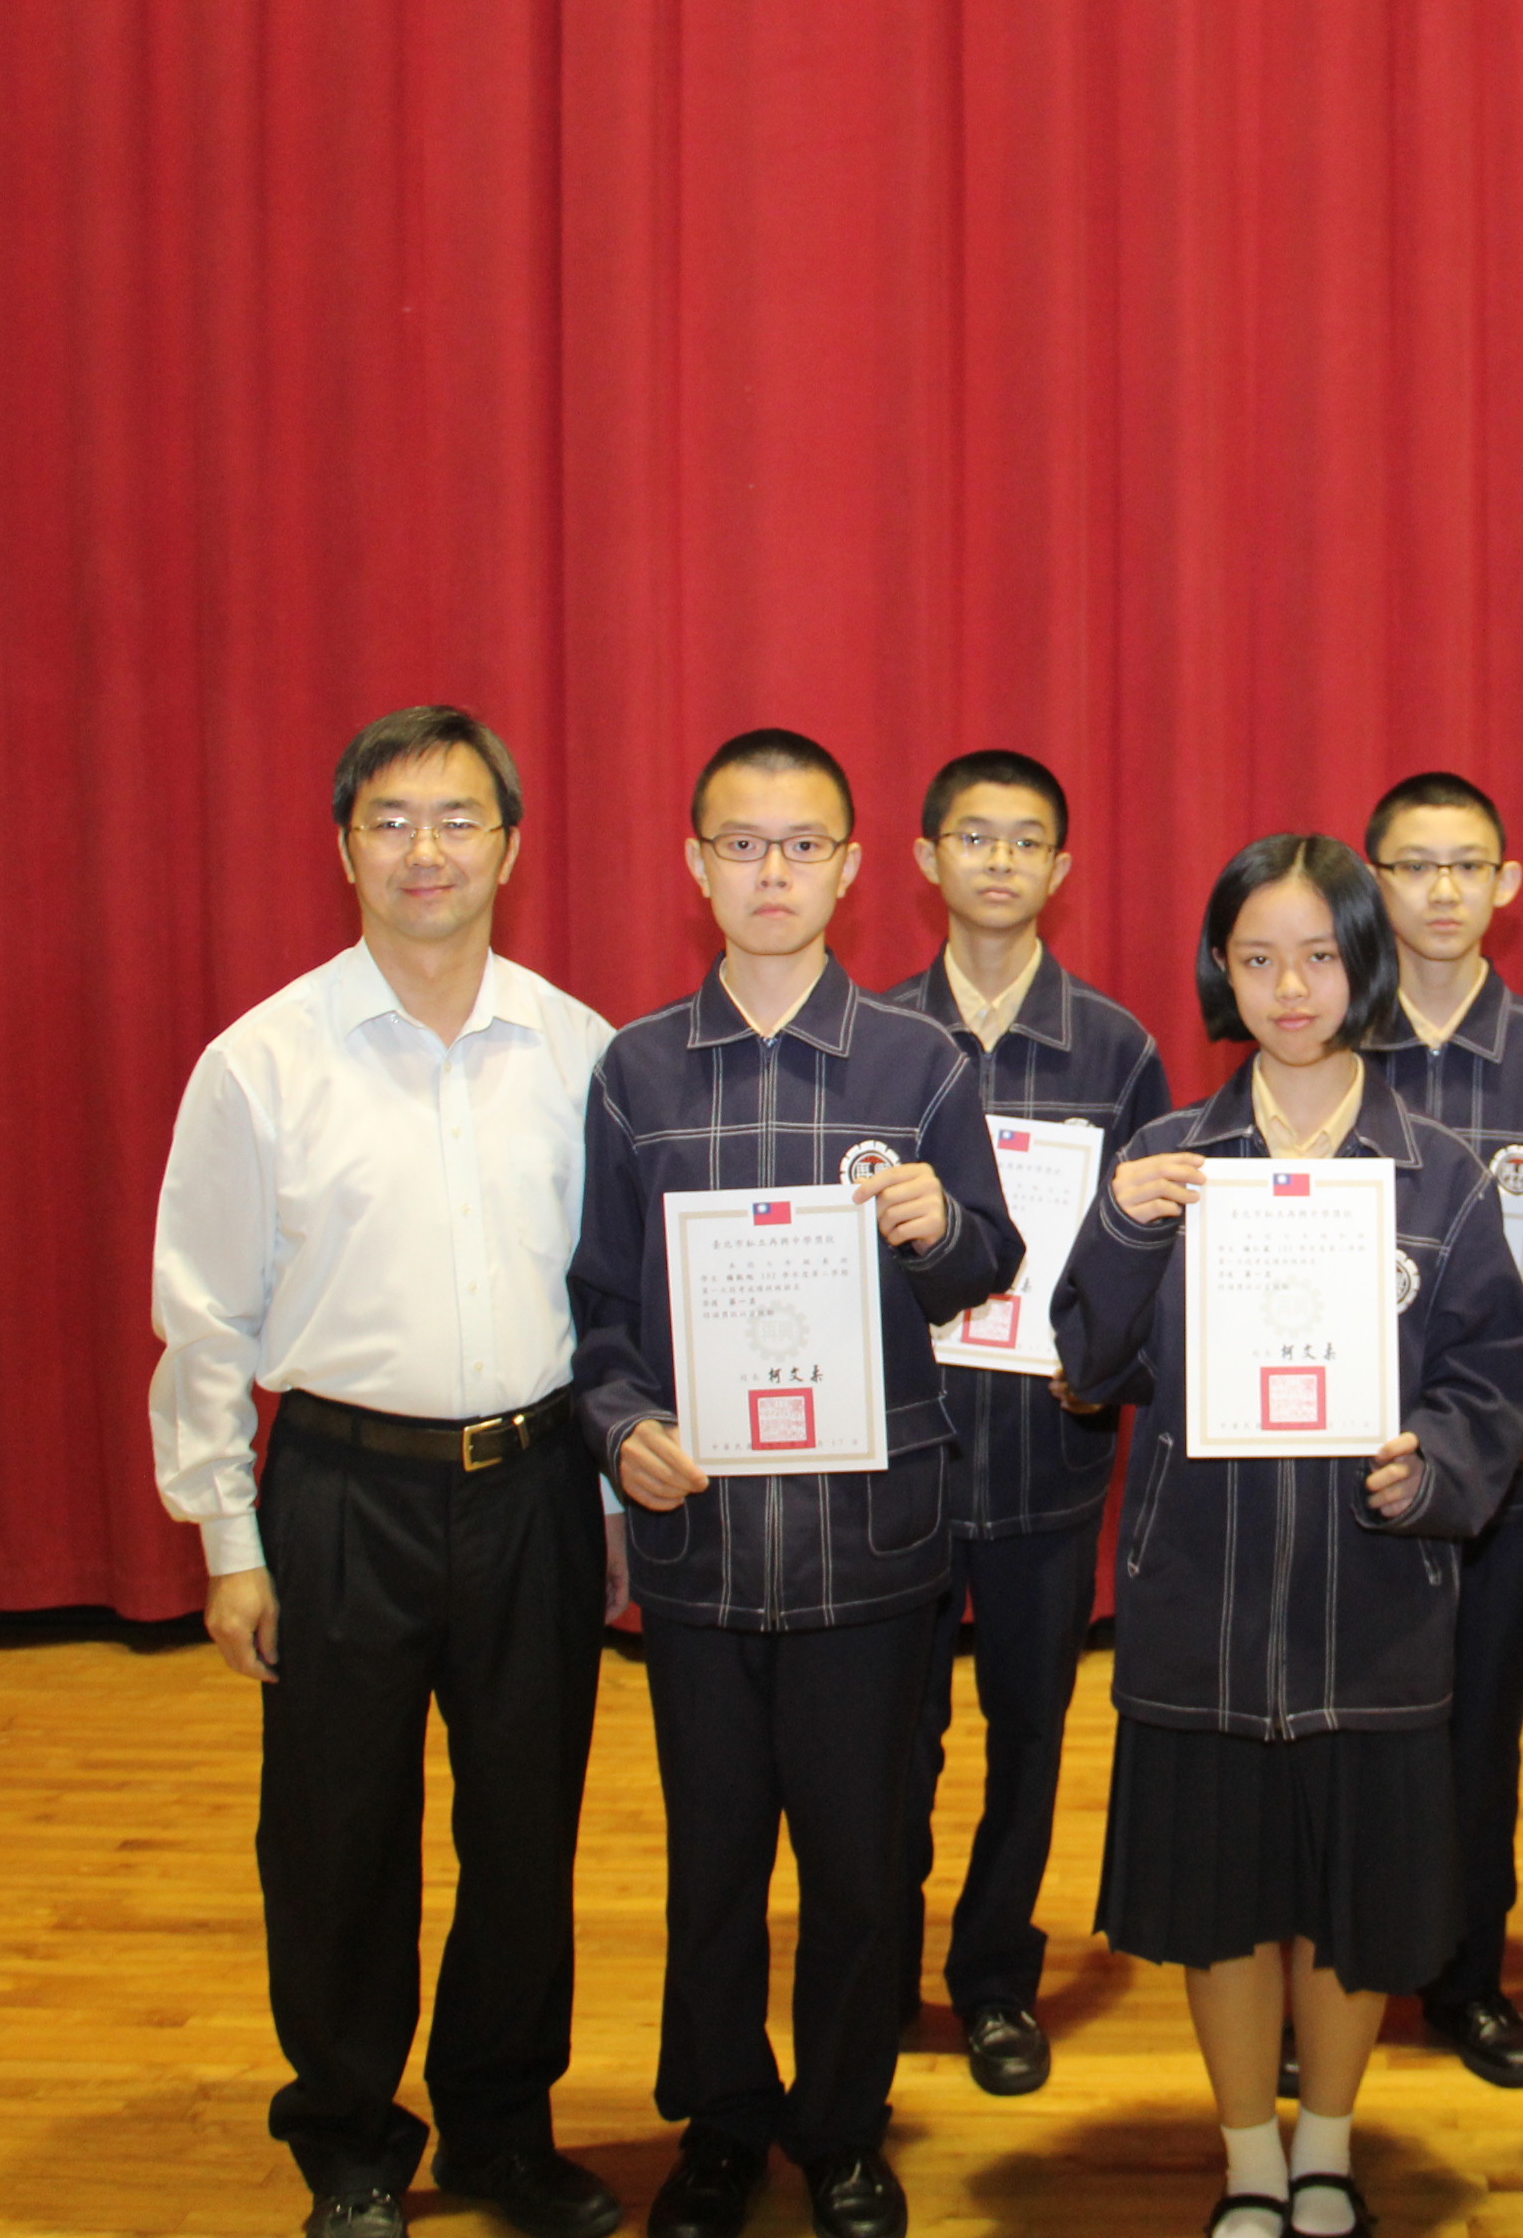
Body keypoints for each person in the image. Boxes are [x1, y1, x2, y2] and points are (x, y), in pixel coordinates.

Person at [149, 707, 626, 2238]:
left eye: (459, 819)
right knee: (335, 1837)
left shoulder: (580, 1051)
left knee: (524, 1830)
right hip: (341, 1491)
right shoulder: (262, 1062)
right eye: (393, 821)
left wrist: (607, 1503)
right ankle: (351, 2143)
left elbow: (611, 1303)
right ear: (345, 846)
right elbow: (204, 1318)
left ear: (512, 847)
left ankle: (502, 2129)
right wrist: (230, 1538)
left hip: (535, 1486)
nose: (428, 851)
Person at [1053, 834, 1523, 2238]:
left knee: (1352, 1905)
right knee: (1221, 1905)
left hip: (1375, 1600)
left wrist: (1434, 1466)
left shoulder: (1439, 1172)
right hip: (1198, 1600)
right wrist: (1124, 1228)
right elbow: (1089, 1364)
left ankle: (1325, 2146)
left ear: (1362, 966)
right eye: (1257, 958)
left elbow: (1494, 1379)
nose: (1289, 988)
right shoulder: (1167, 1156)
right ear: (1222, 970)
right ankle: (1249, 2163)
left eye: (1319, 956)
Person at [571, 728, 1021, 2238]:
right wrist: (620, 1427)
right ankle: (718, 2122)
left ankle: (839, 2126)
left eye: (803, 845)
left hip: (871, 1545)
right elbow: (600, 1313)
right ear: (696, 866)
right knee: (713, 1862)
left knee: (860, 1863)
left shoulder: (918, 1062)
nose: (774, 872)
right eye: (743, 845)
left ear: (850, 868)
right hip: (701, 1543)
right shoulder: (635, 1070)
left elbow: (986, 1268)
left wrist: (940, 1222)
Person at [882, 749, 1171, 2096]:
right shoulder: (876, 1035)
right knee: (890, 1737)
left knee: (1030, 1733)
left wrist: (1110, 1362)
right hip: (901, 1448)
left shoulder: (1117, 1047)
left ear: (1061, 868)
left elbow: (1147, 1246)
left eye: (1026, 841)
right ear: (926, 859)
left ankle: (996, 1976)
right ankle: (877, 1961)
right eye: (974, 837)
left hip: (1052, 1452)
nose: (999, 861)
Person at [1356, 772, 1523, 2090]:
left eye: (1467, 865)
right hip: (1355, 1463)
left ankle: (1468, 1979)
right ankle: (1342, 1977)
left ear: (1507, 884)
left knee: (1482, 1732)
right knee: (1354, 1728)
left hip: (1504, 1467)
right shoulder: (1322, 1037)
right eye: (1416, 867)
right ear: (1374, 885)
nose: (1443, 892)